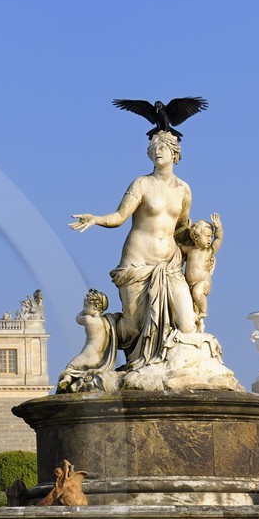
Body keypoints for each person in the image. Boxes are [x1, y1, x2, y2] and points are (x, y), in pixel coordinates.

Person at [69, 131, 197, 369]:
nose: (157, 151)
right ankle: (102, 331)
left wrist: (205, 246)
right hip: (137, 262)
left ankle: (169, 366)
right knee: (134, 328)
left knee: (187, 324)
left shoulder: (184, 190)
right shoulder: (142, 183)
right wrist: (96, 219)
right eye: (154, 148)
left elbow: (181, 229)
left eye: (163, 148)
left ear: (175, 153)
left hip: (169, 266)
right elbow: (119, 217)